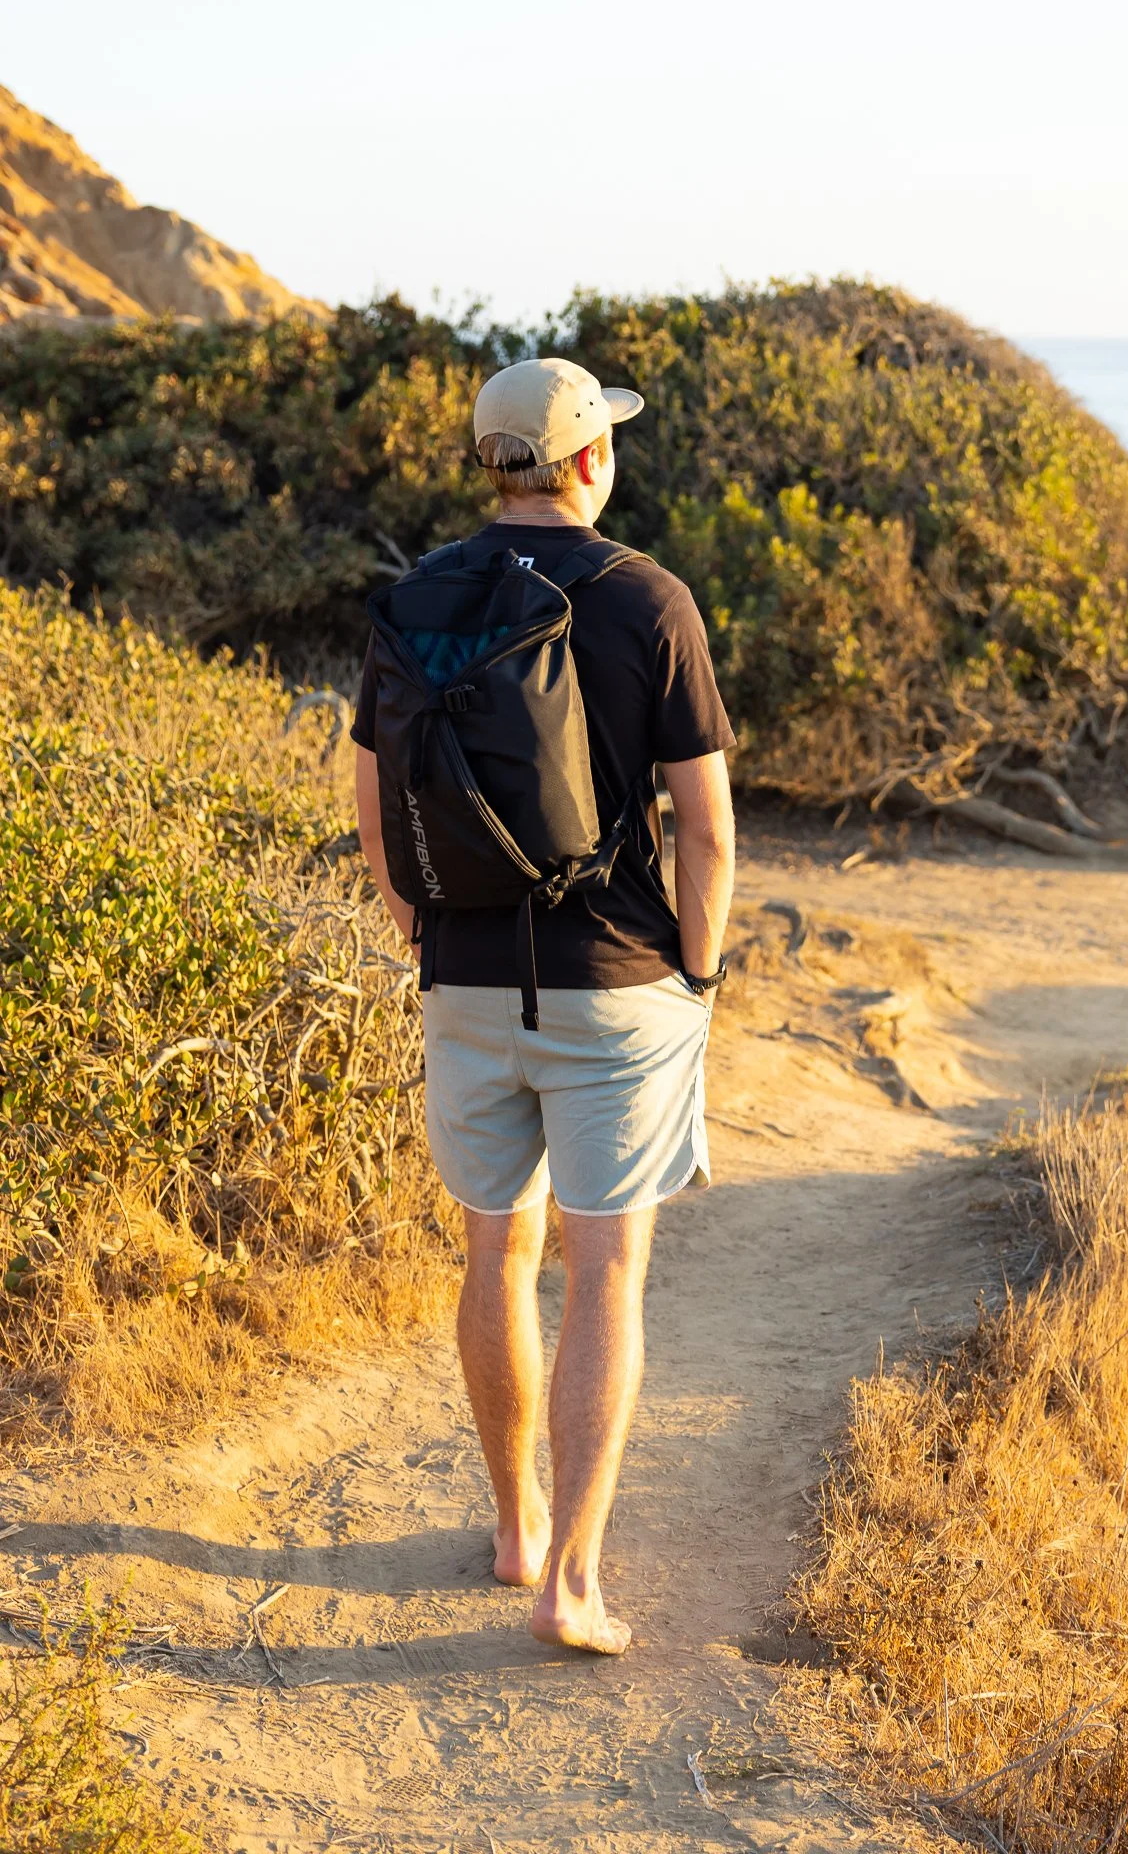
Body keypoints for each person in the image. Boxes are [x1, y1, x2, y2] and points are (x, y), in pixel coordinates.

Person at [352, 357, 736, 1654]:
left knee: (493, 1255)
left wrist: (423, 929)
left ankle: (513, 1527)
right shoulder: (648, 601)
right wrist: (695, 968)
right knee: (606, 1274)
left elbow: (371, 800)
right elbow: (708, 831)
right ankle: (572, 1582)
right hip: (617, 989)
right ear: (587, 462)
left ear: (490, 461)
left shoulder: (412, 597)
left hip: (461, 976)